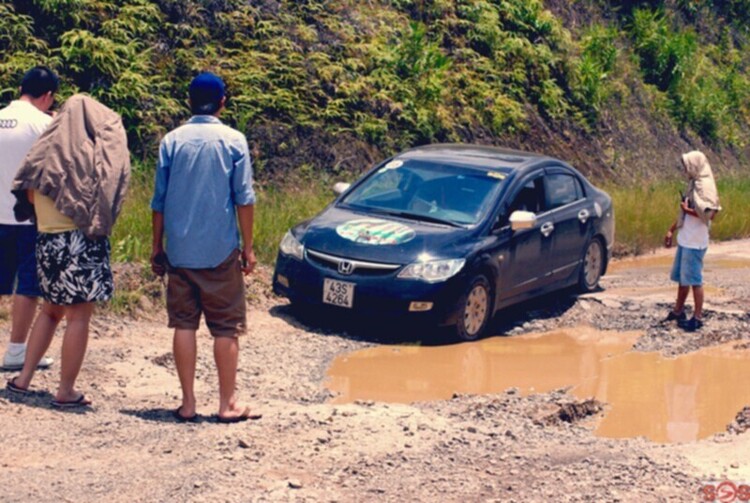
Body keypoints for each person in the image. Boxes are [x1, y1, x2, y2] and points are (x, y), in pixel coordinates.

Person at [5, 94, 131, 407]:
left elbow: (31, 199)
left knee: (49, 311)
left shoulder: (43, 155)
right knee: (78, 317)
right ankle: (65, 390)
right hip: (77, 242)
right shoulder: (87, 159)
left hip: (45, 241)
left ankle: (23, 380)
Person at [150, 72, 259, 423]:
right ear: (222, 102)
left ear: (189, 101)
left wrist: (157, 247)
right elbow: (244, 198)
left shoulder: (172, 141)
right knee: (226, 327)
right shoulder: (234, 140)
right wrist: (248, 247)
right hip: (220, 250)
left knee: (184, 324)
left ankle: (188, 403)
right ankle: (227, 404)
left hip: (180, 250)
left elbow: (159, 201)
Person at [0, 66, 59, 371]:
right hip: (29, 218)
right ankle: (16, 351)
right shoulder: (44, 124)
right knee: (27, 286)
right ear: (47, 96)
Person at [663, 151, 721, 332]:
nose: (685, 169)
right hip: (685, 239)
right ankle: (678, 311)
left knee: (695, 280)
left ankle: (697, 317)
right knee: (683, 278)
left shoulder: (705, 187)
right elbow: (685, 211)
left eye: (687, 165)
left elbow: (711, 214)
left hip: (695, 242)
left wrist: (687, 210)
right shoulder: (693, 184)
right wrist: (671, 230)